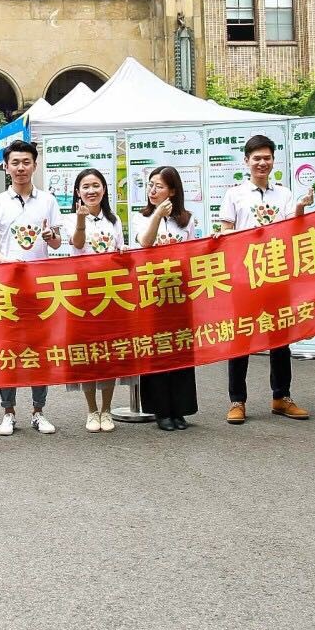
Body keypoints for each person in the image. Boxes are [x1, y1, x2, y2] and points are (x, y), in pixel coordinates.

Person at [217, 135, 314, 425]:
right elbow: (225, 232)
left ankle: (281, 397)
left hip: (277, 273)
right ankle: (237, 401)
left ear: (273, 161)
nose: (262, 163)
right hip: (244, 277)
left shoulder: (284, 194)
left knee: (280, 339)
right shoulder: (234, 194)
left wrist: (301, 206)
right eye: (256, 158)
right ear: (246, 161)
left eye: (267, 158)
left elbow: (295, 228)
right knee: (241, 339)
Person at [0, 139, 63, 435]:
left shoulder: (48, 200)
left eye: (26, 162)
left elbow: (56, 243)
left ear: (34, 165)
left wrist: (51, 236)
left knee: (39, 348)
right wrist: (4, 260)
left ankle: (39, 411)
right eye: (15, 162)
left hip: (40, 286)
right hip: (6, 286)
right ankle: (8, 412)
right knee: (7, 348)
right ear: (6, 167)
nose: (21, 167)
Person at [135, 165, 203, 432]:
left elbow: (193, 252)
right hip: (152, 293)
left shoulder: (186, 220)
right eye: (150, 185)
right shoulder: (142, 217)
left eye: (159, 186)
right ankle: (161, 410)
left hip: (179, 292)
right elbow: (145, 243)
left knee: (180, 348)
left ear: (173, 191)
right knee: (156, 348)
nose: (153, 190)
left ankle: (180, 409)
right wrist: (156, 215)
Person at [62, 167, 127, 433]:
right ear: (78, 192)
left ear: (104, 189)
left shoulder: (114, 219)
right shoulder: (71, 219)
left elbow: (119, 248)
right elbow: (77, 244)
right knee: (87, 352)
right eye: (86, 187)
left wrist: (123, 250)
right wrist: (81, 220)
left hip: (110, 293)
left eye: (96, 185)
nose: (91, 191)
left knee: (108, 351)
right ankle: (91, 410)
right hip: (83, 294)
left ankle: (107, 409)